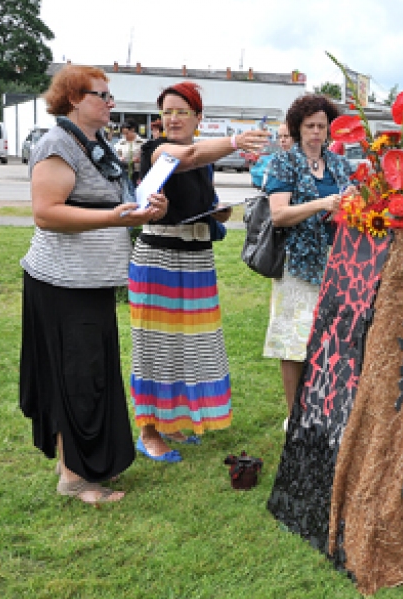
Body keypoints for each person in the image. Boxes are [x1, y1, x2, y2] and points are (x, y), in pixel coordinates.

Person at [19, 64, 169, 505]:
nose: (110, 102)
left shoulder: (96, 144)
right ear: (73, 99)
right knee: (77, 379)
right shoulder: (57, 145)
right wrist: (112, 218)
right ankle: (74, 478)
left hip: (91, 282)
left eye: (109, 95)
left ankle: (84, 465)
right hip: (62, 284)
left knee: (91, 376)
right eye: (100, 95)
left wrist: (147, 208)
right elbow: (46, 212)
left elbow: (114, 200)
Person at [130, 82, 269, 462]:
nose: (173, 119)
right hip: (159, 260)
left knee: (189, 347)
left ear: (198, 118)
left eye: (181, 112)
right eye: (167, 112)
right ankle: (148, 432)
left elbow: (199, 192)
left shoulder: (205, 161)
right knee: (155, 347)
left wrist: (217, 211)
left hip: (195, 259)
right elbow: (186, 156)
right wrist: (236, 141)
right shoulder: (155, 150)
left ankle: (172, 422)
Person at [264, 94, 355, 422]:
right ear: (297, 128)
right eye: (309, 126)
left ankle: (327, 412)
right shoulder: (284, 162)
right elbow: (278, 215)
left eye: (322, 126)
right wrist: (322, 204)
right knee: (293, 342)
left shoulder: (340, 164)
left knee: (334, 341)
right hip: (297, 265)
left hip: (339, 262)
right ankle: (295, 418)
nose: (316, 132)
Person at [251, 123, 293, 190]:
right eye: (279, 137)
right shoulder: (276, 158)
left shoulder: (303, 159)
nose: (282, 140)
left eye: (286, 136)